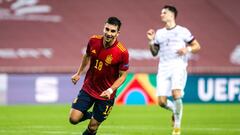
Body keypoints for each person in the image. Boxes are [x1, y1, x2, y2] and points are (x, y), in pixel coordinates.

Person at [146, 5, 201, 135]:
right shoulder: (159, 33)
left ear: (172, 15)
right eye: (161, 13)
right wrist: (150, 41)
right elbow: (154, 53)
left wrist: (186, 49)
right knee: (161, 102)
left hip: (178, 65)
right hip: (163, 68)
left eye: (164, 12)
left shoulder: (183, 31)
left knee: (176, 94)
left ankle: (177, 127)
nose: (161, 15)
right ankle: (175, 112)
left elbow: (197, 46)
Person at [70, 16, 129, 135]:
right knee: (73, 119)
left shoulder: (122, 52)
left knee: (92, 127)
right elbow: (87, 56)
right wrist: (78, 73)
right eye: (107, 29)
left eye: (113, 31)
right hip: (89, 88)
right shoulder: (93, 41)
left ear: (118, 33)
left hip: (106, 94)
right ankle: (93, 115)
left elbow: (122, 76)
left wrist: (110, 90)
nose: (109, 33)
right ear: (104, 28)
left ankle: (94, 120)